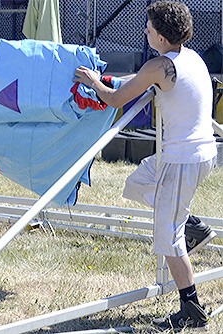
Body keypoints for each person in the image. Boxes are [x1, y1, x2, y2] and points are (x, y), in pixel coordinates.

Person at [74, 1, 217, 330]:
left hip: (183, 159)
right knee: (136, 183)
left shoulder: (159, 65)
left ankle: (191, 308)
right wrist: (110, 78)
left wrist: (95, 82)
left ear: (163, 38)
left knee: (167, 237)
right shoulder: (190, 56)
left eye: (149, 28)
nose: (145, 31)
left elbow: (114, 98)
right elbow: (139, 80)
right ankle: (191, 225)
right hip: (192, 154)